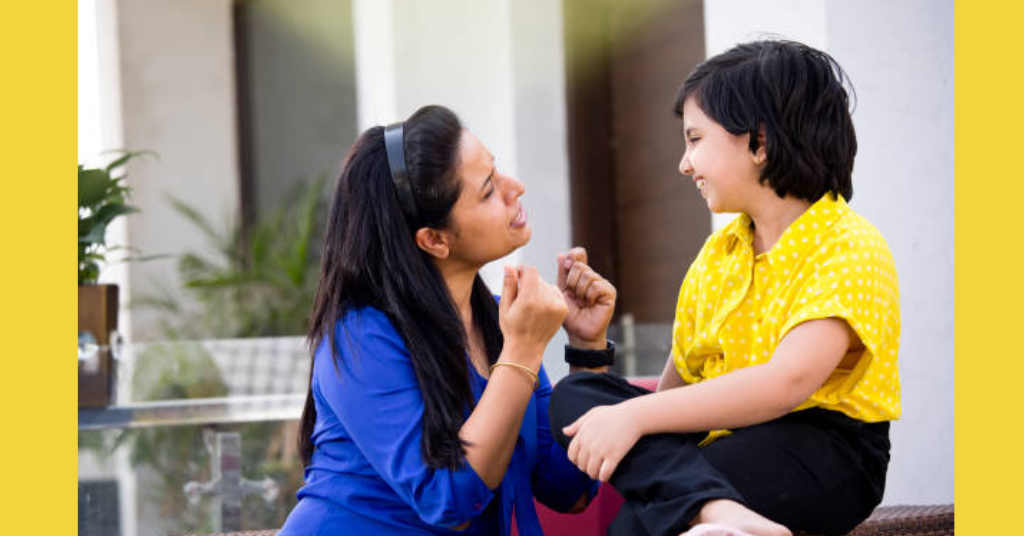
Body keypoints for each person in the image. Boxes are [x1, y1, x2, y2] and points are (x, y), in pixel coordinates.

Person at [549, 40, 900, 536]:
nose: (684, 164)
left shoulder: (848, 244)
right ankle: (718, 514)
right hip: (720, 451)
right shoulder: (719, 255)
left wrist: (636, 418)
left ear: (760, 142)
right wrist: (618, 409)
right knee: (575, 394)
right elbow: (676, 394)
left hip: (823, 448)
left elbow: (787, 384)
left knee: (635, 525)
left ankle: (709, 508)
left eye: (695, 140)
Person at [277, 104, 616, 536]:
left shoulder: (498, 322)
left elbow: (569, 488)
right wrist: (523, 352)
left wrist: (588, 350)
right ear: (434, 239)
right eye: (489, 190)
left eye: (498, 172)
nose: (517, 189)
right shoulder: (361, 337)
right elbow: (448, 500)